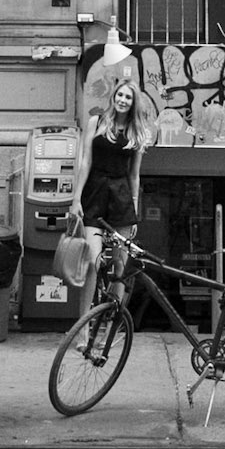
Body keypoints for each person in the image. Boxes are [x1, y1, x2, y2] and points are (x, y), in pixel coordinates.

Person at [69, 79, 148, 309]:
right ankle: (85, 324)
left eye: (128, 97)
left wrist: (134, 210)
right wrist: (76, 199)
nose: (123, 100)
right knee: (92, 263)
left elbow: (134, 175)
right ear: (113, 97)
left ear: (133, 102)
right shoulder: (97, 122)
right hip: (94, 195)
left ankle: (114, 317)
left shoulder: (137, 132)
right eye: (120, 95)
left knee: (120, 264)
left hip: (121, 199)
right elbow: (85, 162)